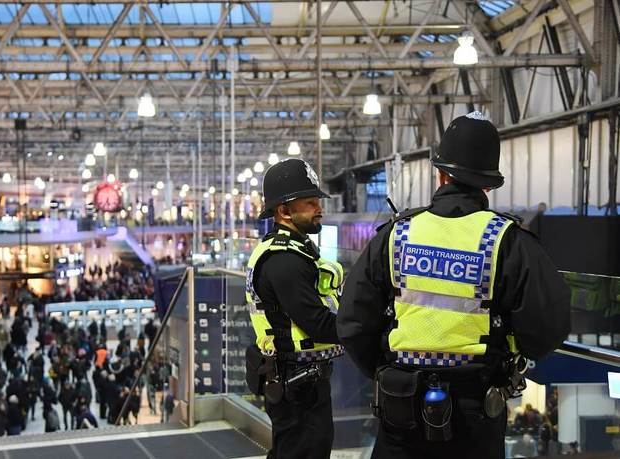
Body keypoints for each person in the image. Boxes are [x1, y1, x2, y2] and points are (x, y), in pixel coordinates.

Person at [337, 111, 571, 459]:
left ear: (440, 173)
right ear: (488, 185)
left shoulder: (396, 236)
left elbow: (352, 323)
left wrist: (388, 372)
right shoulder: (509, 242)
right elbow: (548, 329)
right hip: (475, 412)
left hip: (400, 406)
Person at [244, 158, 344, 459]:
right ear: (284, 211)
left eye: (317, 201)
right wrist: (364, 325)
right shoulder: (284, 261)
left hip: (302, 380)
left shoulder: (296, 251)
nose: (319, 209)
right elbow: (317, 322)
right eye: (310, 203)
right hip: (298, 384)